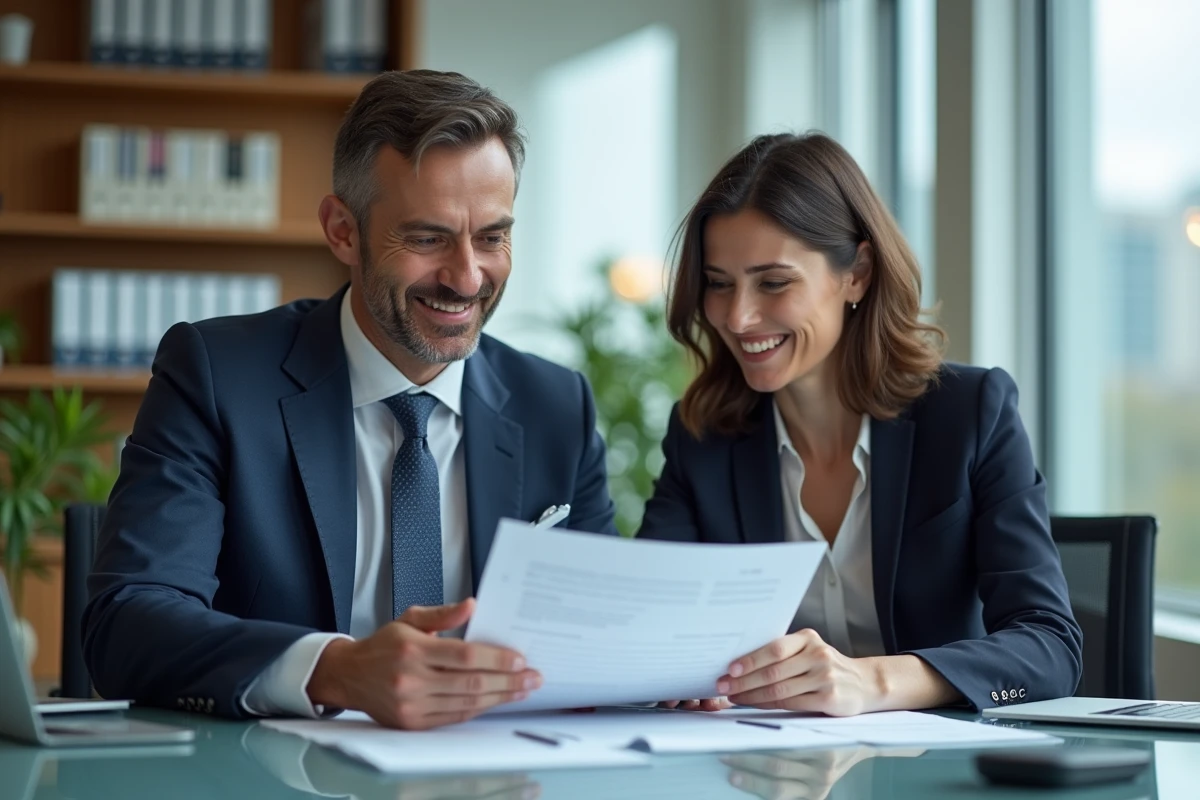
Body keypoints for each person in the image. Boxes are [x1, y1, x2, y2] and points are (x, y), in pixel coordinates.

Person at [84, 70, 617, 730]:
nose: (466, 277)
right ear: (342, 230)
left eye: (492, 236)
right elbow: (128, 622)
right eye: (427, 238)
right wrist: (334, 670)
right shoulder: (218, 376)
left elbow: (601, 635)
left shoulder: (556, 405)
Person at [639, 133, 1082, 715]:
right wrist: (669, 668)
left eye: (773, 282)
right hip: (767, 772)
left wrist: (872, 683)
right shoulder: (702, 436)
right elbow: (647, 626)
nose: (738, 316)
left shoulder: (970, 413)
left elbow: (1051, 648)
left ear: (858, 273)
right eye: (719, 283)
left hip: (936, 773)